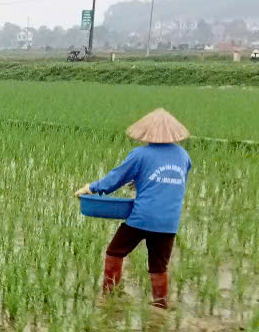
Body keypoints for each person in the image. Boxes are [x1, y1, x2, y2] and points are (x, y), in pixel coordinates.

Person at [74, 108, 192, 309]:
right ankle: (160, 307)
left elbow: (116, 178)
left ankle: (108, 298)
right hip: (169, 221)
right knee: (159, 266)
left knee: (115, 252)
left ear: (146, 133)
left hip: (143, 216)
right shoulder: (183, 156)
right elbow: (171, 185)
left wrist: (91, 188)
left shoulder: (140, 154)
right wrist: (141, 183)